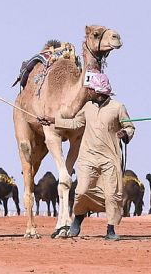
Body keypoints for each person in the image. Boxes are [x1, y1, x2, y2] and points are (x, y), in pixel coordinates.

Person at [38, 71, 135, 241]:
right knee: (82, 191)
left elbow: (130, 127)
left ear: (99, 91)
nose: (89, 92)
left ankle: (110, 229)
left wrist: (125, 133)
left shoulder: (118, 108)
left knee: (111, 195)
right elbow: (75, 123)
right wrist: (54, 121)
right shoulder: (87, 107)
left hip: (110, 158)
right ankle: (79, 218)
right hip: (87, 157)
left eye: (91, 89)